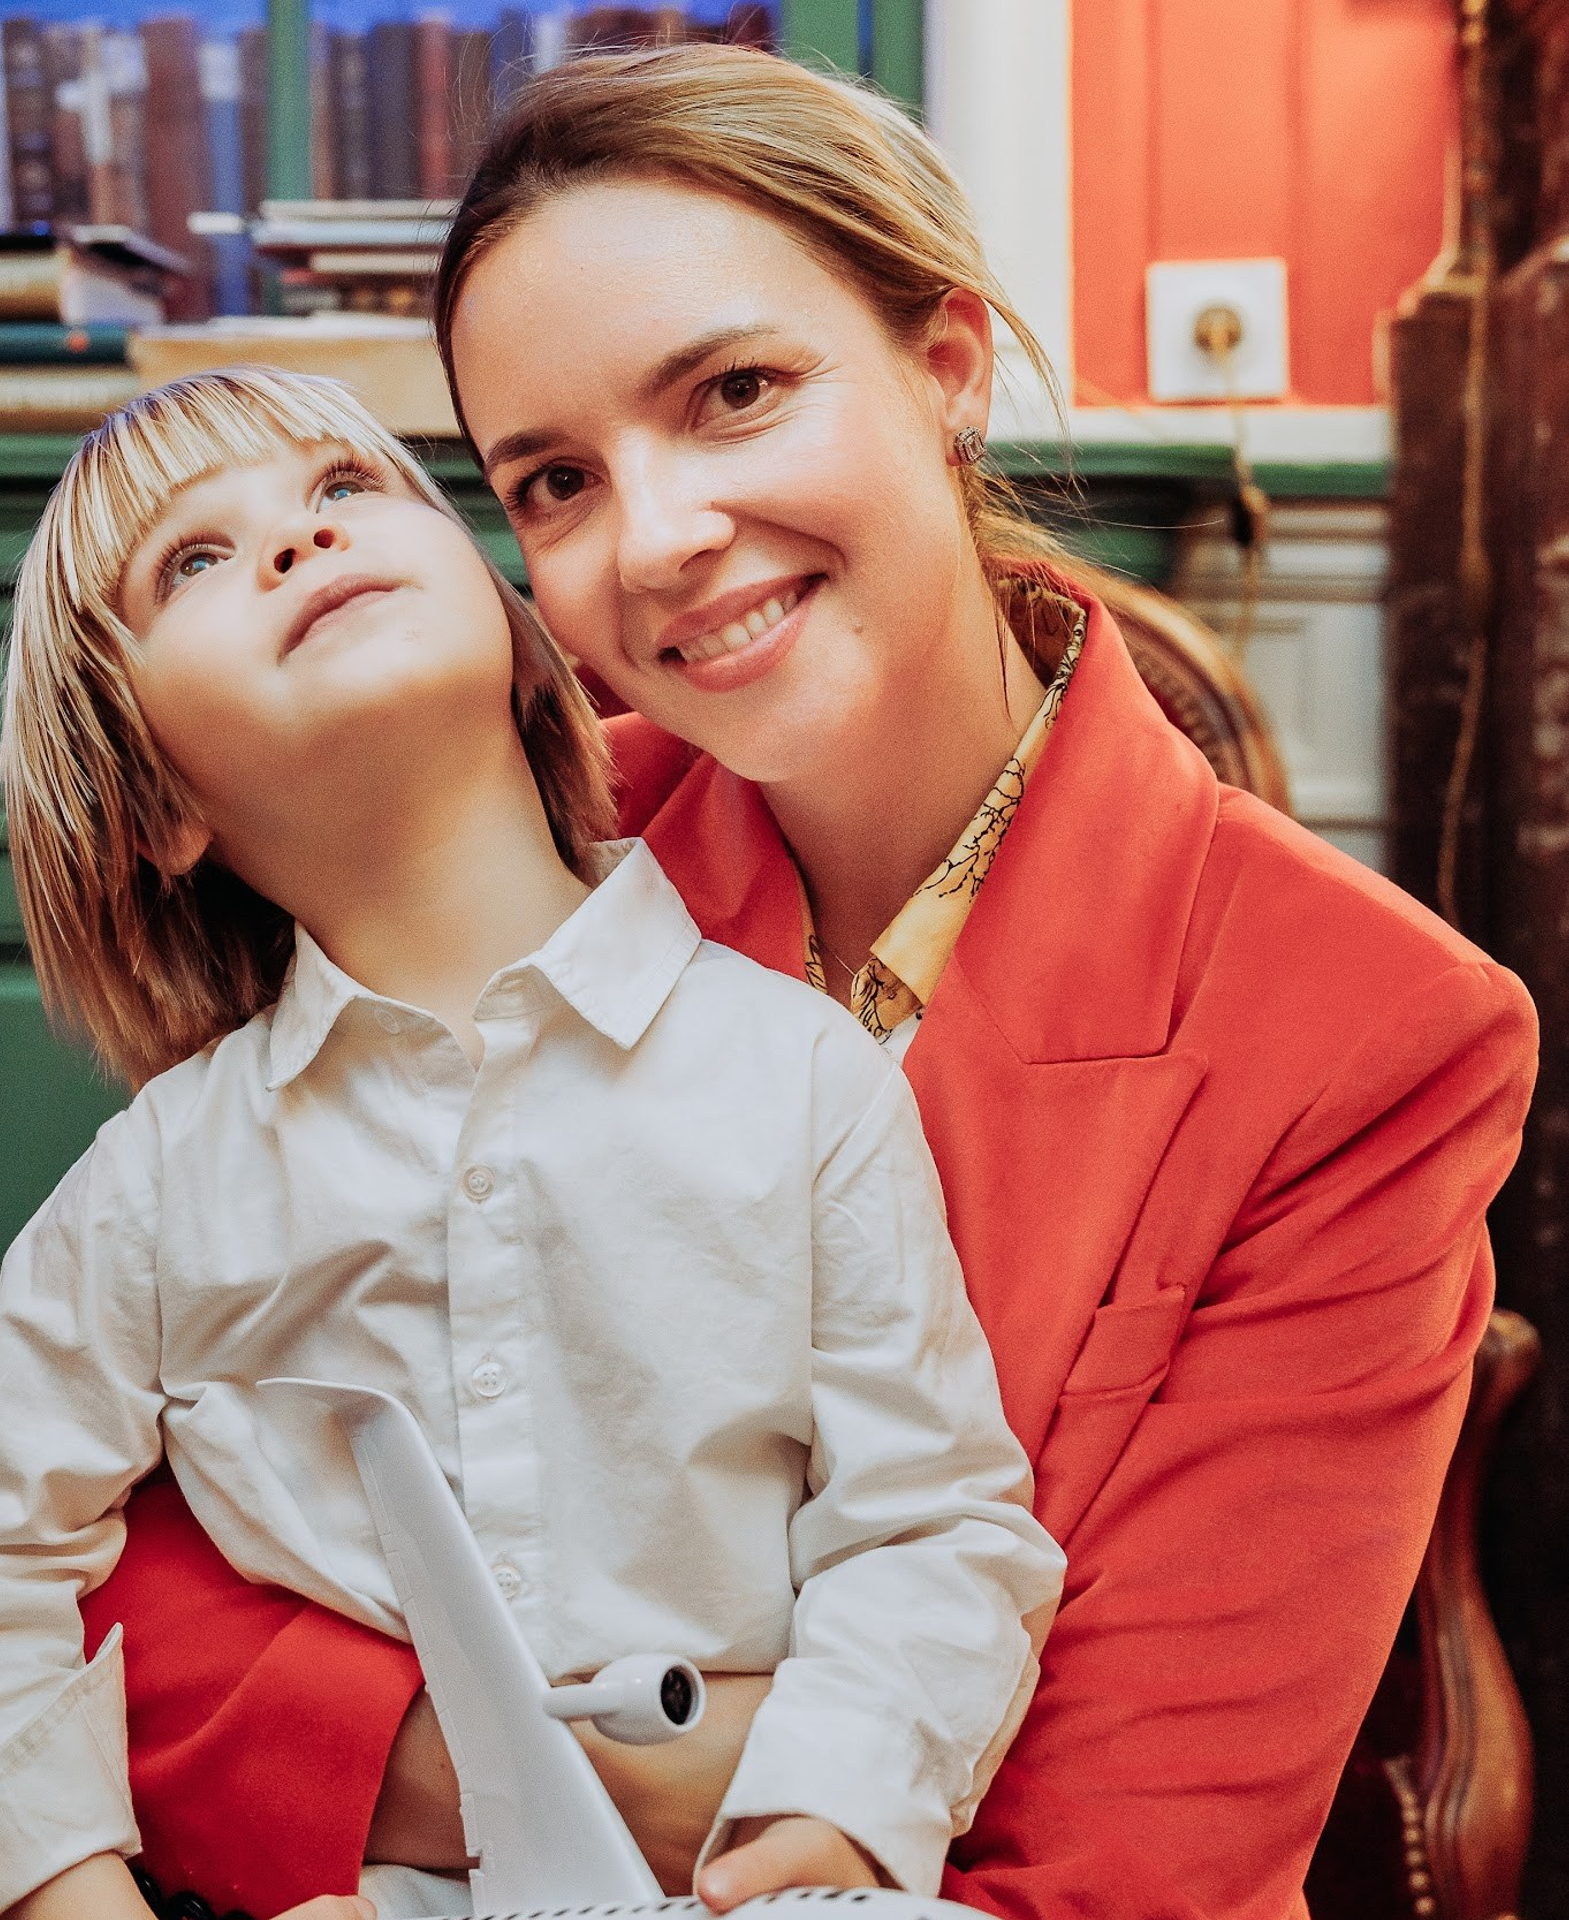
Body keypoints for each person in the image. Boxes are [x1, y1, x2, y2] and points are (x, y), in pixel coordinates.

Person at [80, 46, 1542, 1920]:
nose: (662, 538)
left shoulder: (1369, 1038)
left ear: (947, 367)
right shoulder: (482, 860)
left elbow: (1133, 1850)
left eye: (740, 392)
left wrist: (486, 1739)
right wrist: (598, 1767)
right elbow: (106, 1576)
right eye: (555, 481)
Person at [0, 367, 1064, 1920]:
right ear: (156, 805)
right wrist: (73, 1898)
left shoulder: (805, 1077)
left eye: (343, 491)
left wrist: (829, 1820)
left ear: (515, 640)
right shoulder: (161, 1186)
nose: (293, 543)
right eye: (195, 562)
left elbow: (935, 1519)